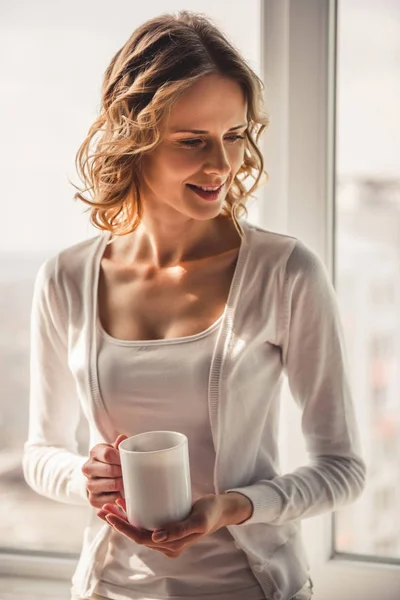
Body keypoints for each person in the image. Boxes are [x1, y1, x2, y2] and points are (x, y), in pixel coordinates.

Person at [22, 10, 366, 600]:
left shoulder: (285, 274)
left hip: (251, 589)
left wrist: (234, 507)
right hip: (108, 590)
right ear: (135, 139)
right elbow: (39, 452)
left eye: (234, 136)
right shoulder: (65, 278)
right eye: (193, 141)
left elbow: (343, 468)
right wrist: (85, 479)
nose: (222, 166)